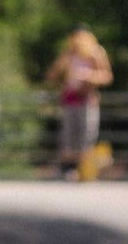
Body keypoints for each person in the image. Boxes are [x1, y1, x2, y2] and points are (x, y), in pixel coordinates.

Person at [47, 28, 112, 178]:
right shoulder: (70, 53)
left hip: (87, 99)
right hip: (70, 99)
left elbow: (107, 76)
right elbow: (53, 74)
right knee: (69, 135)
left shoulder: (96, 52)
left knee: (87, 136)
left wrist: (89, 77)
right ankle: (68, 168)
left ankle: (85, 170)